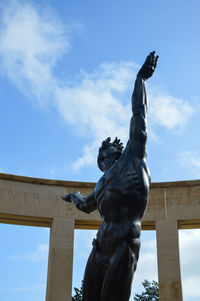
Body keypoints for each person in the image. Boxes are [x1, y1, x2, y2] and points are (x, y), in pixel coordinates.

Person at [62, 51, 159, 301]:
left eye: (115, 145)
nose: (113, 146)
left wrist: (141, 80)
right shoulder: (101, 183)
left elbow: (140, 116)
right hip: (99, 249)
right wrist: (74, 196)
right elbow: (85, 205)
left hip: (123, 246)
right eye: (107, 147)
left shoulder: (132, 159)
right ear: (101, 157)